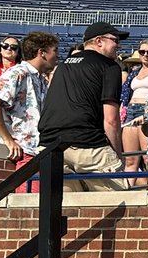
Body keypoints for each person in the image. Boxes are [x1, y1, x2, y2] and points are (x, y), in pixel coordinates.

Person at [37, 22, 130, 191]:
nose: (119, 46)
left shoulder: (62, 66)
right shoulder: (109, 66)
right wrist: (117, 154)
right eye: (115, 40)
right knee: (119, 201)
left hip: (50, 146)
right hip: (88, 145)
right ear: (99, 41)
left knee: (64, 204)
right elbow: (111, 120)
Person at [0, 31, 60, 175]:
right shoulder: (19, 72)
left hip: (35, 151)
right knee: (29, 190)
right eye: (55, 51)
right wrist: (8, 139)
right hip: (21, 152)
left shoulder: (41, 79)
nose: (58, 56)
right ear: (42, 53)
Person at [121, 39, 148, 184]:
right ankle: (127, 189)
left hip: (147, 112)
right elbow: (125, 94)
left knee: (147, 156)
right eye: (142, 52)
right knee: (130, 159)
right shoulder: (134, 73)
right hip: (130, 111)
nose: (145, 55)